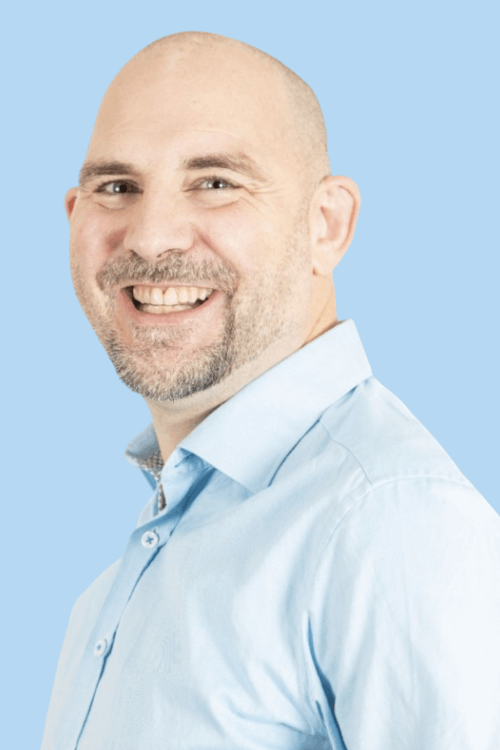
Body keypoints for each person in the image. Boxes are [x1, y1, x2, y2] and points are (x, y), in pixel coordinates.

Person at [42, 31, 500, 750]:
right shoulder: (108, 599)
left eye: (216, 182)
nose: (153, 235)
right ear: (75, 216)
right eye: (117, 187)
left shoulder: (390, 523)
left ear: (327, 225)